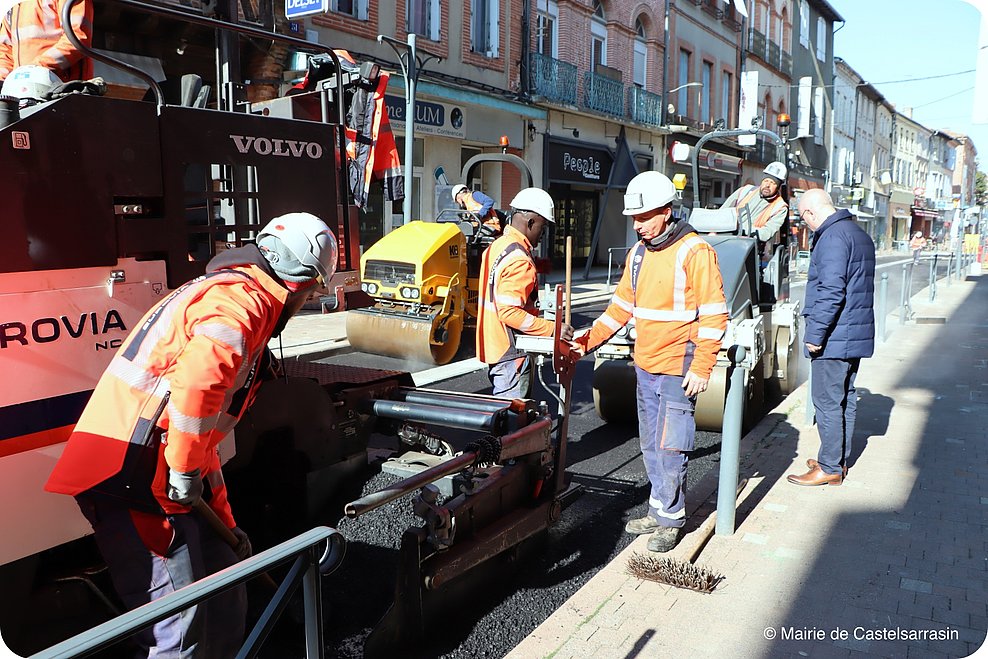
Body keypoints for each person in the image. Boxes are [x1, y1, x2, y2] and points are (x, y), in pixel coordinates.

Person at [44, 213, 338, 657]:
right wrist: (182, 470)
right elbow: (197, 389)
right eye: (314, 290)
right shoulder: (243, 303)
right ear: (300, 283)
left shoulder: (232, 292)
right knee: (181, 628)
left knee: (227, 591)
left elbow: (203, 437)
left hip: (158, 469)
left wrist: (227, 523)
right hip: (131, 474)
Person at [574, 171, 728, 553]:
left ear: (666, 211)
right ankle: (659, 510)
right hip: (645, 365)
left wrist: (702, 365)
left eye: (643, 217)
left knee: (672, 446)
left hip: (679, 366)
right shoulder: (639, 255)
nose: (637, 225)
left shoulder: (695, 252)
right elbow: (620, 309)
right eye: (634, 219)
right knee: (650, 444)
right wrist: (586, 342)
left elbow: (713, 315)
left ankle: (671, 520)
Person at [787, 188, 875, 487]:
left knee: (826, 402)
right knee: (845, 400)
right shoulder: (858, 233)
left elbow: (830, 291)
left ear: (811, 212)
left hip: (835, 336)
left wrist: (815, 335)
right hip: (854, 334)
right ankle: (837, 460)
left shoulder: (832, 238)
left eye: (803, 218)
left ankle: (829, 467)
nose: (805, 224)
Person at [477, 187, 574, 398]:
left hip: (495, 345)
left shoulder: (499, 246)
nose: (543, 233)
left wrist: (535, 266)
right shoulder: (520, 259)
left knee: (504, 416)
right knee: (512, 418)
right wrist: (552, 329)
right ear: (530, 222)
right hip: (510, 352)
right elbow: (509, 312)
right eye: (543, 227)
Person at [0, 0, 94, 83]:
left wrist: (34, 69)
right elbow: (5, 51)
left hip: (63, 89)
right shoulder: (13, 7)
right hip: (23, 89)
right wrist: (3, 81)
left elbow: (77, 38)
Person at [721, 161, 790, 259]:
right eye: (766, 181)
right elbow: (722, 213)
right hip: (726, 239)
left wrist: (738, 227)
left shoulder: (780, 207)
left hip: (748, 248)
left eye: (773, 183)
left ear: (778, 187)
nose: (768, 185)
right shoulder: (745, 191)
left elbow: (766, 233)